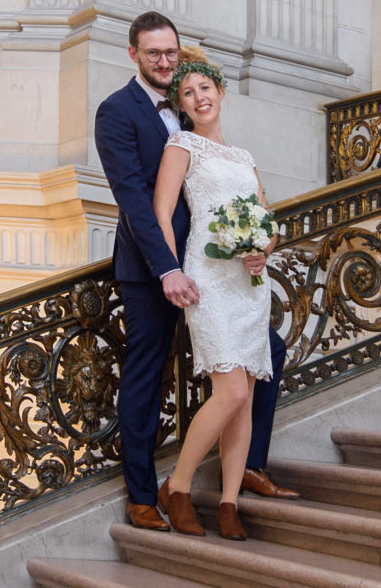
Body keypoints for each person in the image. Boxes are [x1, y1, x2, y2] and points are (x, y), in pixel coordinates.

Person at [93, 11, 297, 535]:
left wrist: (256, 246)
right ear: (134, 54)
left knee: (267, 355)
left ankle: (246, 466)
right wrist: (166, 270)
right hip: (151, 269)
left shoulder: (189, 110)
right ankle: (144, 496)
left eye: (171, 53)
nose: (164, 61)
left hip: (217, 270)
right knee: (147, 373)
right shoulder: (116, 111)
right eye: (153, 53)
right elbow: (138, 201)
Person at [152, 47, 272, 540]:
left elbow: (266, 219)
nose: (199, 97)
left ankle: (228, 504)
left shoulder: (244, 156)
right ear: (182, 104)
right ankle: (176, 487)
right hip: (207, 279)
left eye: (205, 88)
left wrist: (264, 250)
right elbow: (162, 213)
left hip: (249, 283)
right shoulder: (182, 145)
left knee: (243, 400)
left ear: (220, 92)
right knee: (233, 390)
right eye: (188, 92)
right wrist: (171, 271)